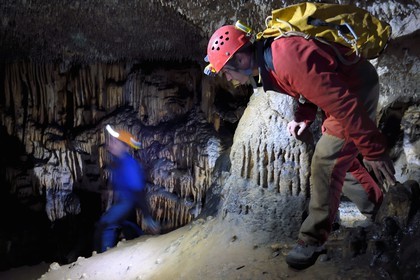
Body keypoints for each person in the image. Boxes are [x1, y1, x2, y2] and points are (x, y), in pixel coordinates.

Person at [204, 24, 396, 268]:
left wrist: (373, 149)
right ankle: (377, 207)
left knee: (325, 160)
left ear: (240, 57)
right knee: (337, 158)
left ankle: (312, 239)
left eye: (226, 72)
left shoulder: (285, 57)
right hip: (345, 85)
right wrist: (304, 116)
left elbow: (344, 104)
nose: (228, 78)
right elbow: (310, 86)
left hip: (356, 88)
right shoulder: (271, 60)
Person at [94, 124, 160, 253]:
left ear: (124, 146)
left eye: (114, 141)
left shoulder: (128, 164)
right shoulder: (117, 162)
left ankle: (102, 257)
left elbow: (138, 191)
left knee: (104, 227)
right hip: (123, 205)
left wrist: (147, 217)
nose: (110, 143)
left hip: (127, 204)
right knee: (129, 230)